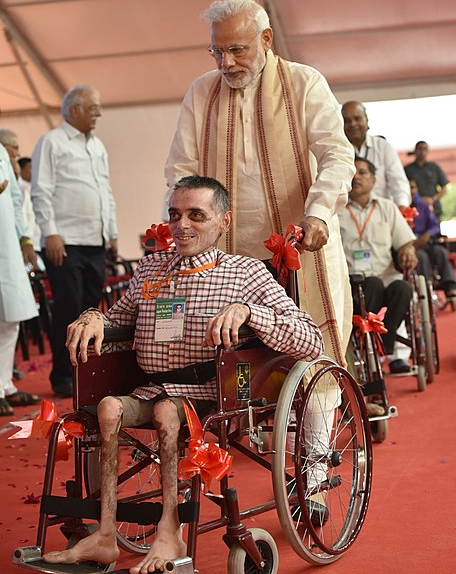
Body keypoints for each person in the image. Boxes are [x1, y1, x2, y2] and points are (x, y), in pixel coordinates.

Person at [42, 175, 324, 572]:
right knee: (107, 408)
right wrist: (92, 318)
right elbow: (118, 320)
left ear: (224, 222)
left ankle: (169, 532)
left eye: (196, 215)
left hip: (214, 389)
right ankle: (105, 536)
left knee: (166, 412)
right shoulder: (152, 269)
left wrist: (248, 312)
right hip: (154, 387)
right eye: (175, 215)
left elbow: (311, 340)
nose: (182, 225)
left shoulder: (246, 273)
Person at [165, 0, 355, 366]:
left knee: (313, 347)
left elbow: (336, 153)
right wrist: (183, 225)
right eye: (217, 52)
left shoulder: (304, 82)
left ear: (266, 39)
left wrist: (318, 213)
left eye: (237, 49)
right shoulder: (201, 92)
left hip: (301, 242)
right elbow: (180, 169)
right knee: (232, 352)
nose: (227, 63)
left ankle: (317, 423)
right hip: (226, 251)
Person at [31, 84, 119, 398]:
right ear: (74, 110)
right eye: (93, 107)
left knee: (90, 311)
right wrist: (50, 232)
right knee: (68, 309)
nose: (98, 113)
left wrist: (112, 232)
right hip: (64, 241)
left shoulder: (97, 145)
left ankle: (86, 371)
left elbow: (105, 192)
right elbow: (41, 190)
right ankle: (62, 376)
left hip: (95, 241)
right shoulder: (51, 142)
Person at [338, 157, 418, 374]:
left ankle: (385, 343)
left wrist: (407, 251)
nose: (357, 177)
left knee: (403, 287)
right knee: (371, 284)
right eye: (352, 172)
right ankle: (368, 345)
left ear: (373, 180)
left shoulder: (387, 207)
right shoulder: (336, 210)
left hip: (386, 276)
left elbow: (405, 243)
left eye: (363, 172)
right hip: (354, 282)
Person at [0, 139, 41, 416]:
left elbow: (14, 199)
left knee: (10, 319)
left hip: (7, 244)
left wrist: (26, 239)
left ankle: (5, 385)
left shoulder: (1, 151)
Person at [341, 101, 411, 208]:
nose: (353, 124)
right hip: (348, 216)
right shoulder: (337, 151)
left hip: (382, 215)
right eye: (347, 121)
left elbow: (398, 181)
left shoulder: (383, 147)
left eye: (357, 118)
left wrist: (402, 206)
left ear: (367, 120)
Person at [410, 179, 456, 298]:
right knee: (421, 257)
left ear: (417, 189)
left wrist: (428, 234)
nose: (411, 190)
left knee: (440, 252)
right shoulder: (399, 208)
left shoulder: (423, 207)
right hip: (412, 246)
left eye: (413, 187)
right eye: (408, 187)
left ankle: (450, 286)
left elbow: (435, 225)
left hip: (427, 242)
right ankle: (424, 288)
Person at [405, 141, 449, 219]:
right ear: (415, 150)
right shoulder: (407, 169)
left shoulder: (434, 167)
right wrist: (418, 199)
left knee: (434, 230)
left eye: (425, 149)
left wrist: (432, 199)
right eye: (420, 149)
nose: (422, 151)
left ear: (428, 151)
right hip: (414, 210)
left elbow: (444, 188)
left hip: (434, 209)